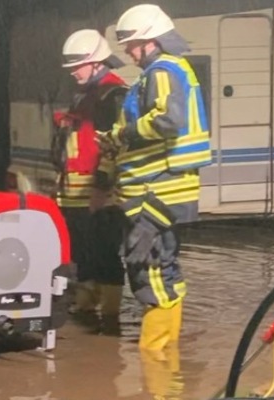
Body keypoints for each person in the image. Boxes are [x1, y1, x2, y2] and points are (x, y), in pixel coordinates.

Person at [95, 3, 212, 351]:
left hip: (158, 191)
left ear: (151, 41)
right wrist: (117, 140)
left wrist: (125, 133)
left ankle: (156, 360)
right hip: (157, 190)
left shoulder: (163, 71)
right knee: (155, 266)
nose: (128, 53)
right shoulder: (160, 73)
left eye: (131, 45)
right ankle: (163, 358)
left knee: (151, 268)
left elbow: (167, 120)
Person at [53, 29, 128, 335]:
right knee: (84, 252)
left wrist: (101, 187)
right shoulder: (85, 94)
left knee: (106, 253)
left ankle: (110, 316)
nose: (73, 72)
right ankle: (86, 305)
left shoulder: (114, 95)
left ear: (98, 62)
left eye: (78, 66)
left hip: (101, 195)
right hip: (75, 194)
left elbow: (114, 146)